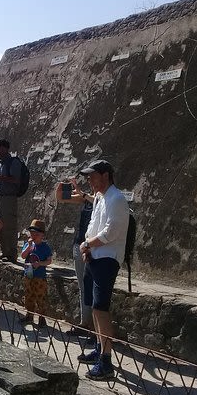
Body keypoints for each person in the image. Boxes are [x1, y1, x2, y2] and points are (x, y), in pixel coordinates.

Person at [76, 160, 129, 381]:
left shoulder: (116, 199)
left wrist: (89, 244)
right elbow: (93, 225)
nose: (89, 180)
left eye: (93, 176)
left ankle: (106, 361)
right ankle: (99, 348)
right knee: (95, 307)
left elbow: (111, 232)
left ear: (105, 175)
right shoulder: (100, 198)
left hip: (107, 258)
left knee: (101, 307)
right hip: (95, 257)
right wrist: (87, 245)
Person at [56, 177, 95, 336]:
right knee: (83, 286)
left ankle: (94, 327)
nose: (91, 182)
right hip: (79, 244)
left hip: (94, 248)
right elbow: (61, 198)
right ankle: (84, 323)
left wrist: (83, 193)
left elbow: (97, 202)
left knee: (94, 287)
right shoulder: (85, 198)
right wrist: (59, 189)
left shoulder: (103, 199)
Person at [0, 138, 21, 262]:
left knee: (9, 226)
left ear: (5, 148)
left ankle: (11, 253)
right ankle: (4, 251)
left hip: (9, 197)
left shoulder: (13, 162)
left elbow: (16, 179)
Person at [21, 219, 53, 325]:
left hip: (40, 276)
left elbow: (49, 261)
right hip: (28, 275)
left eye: (36, 233)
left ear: (42, 235)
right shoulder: (29, 244)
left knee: (40, 297)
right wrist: (29, 247)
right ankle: (29, 315)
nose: (33, 235)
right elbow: (23, 256)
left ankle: (42, 318)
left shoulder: (45, 247)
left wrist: (40, 264)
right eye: (32, 233)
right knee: (29, 295)